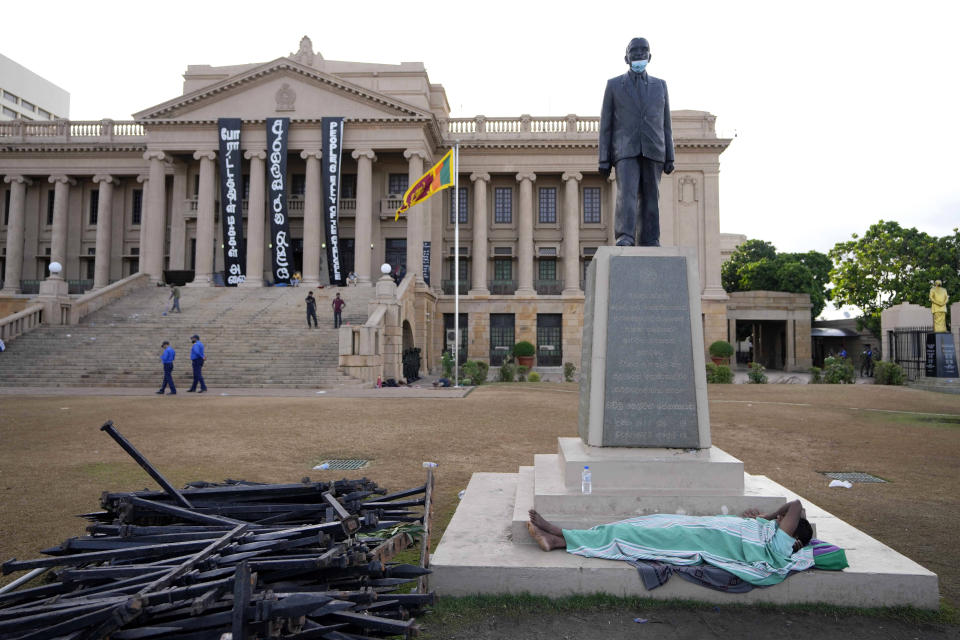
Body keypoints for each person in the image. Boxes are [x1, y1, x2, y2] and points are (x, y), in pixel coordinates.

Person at [527, 499, 814, 587]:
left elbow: (797, 505)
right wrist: (763, 520)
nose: (778, 523)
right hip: (696, 527)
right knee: (637, 525)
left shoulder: (779, 547)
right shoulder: (767, 533)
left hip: (694, 540)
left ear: (793, 538)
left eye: (783, 524)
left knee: (635, 536)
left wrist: (769, 516)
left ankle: (559, 534)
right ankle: (558, 539)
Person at [599, 37, 675, 247]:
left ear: (650, 56)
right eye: (635, 51)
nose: (639, 54)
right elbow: (606, 124)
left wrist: (670, 155)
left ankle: (651, 238)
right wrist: (604, 158)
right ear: (626, 57)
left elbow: (666, 123)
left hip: (654, 149)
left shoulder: (660, 86)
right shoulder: (614, 85)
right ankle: (625, 236)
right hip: (625, 149)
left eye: (644, 50)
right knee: (627, 194)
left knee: (652, 196)